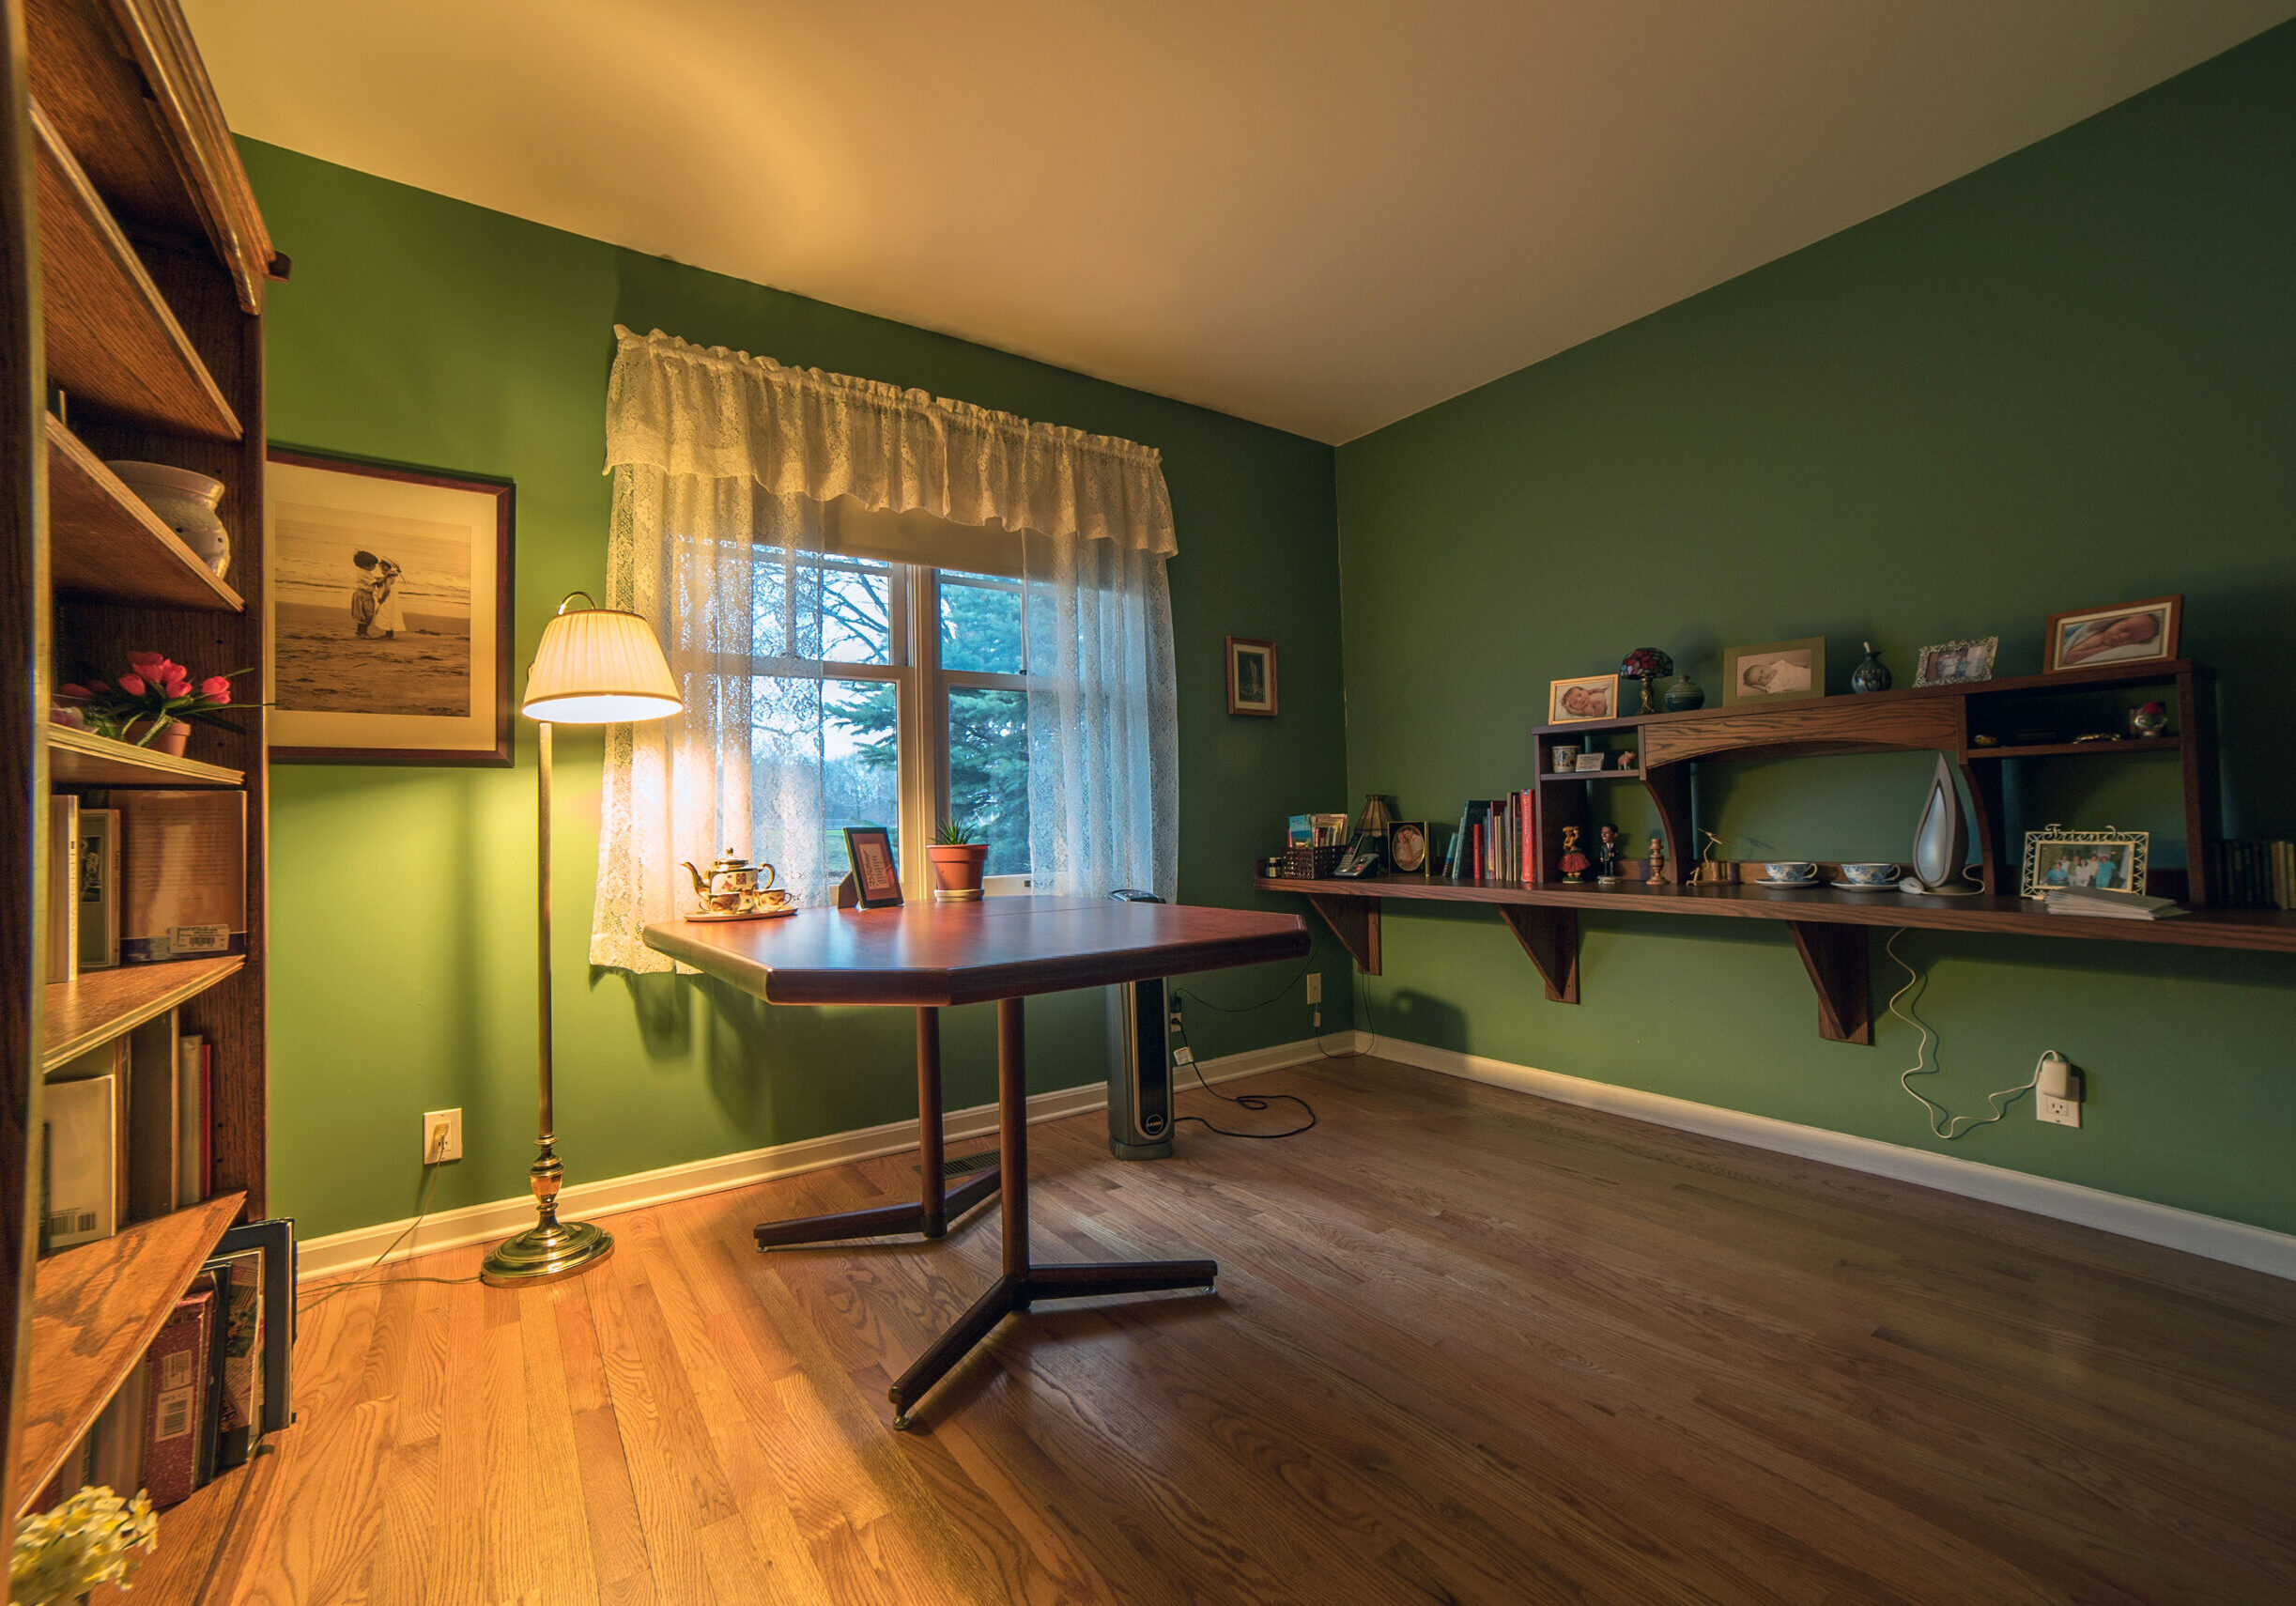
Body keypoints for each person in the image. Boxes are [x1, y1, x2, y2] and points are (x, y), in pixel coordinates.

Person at [351, 549, 408, 640]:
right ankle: (363, 632)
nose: (376, 567)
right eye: (373, 565)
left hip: (372, 596)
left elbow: (387, 588)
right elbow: (377, 581)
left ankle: (362, 632)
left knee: (367, 614)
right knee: (366, 614)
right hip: (364, 595)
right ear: (366, 565)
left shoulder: (364, 572)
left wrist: (383, 598)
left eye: (382, 567)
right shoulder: (365, 574)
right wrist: (385, 576)